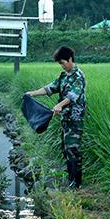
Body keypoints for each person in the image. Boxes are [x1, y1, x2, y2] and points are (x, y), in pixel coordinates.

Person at [26, 46, 86, 188]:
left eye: (63, 62)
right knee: (65, 148)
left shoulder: (78, 76)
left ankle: (76, 182)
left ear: (70, 59)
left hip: (75, 119)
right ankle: (70, 178)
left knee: (73, 149)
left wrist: (60, 105)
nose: (62, 66)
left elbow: (72, 96)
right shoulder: (63, 76)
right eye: (60, 63)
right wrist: (33, 93)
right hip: (65, 118)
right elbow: (50, 88)